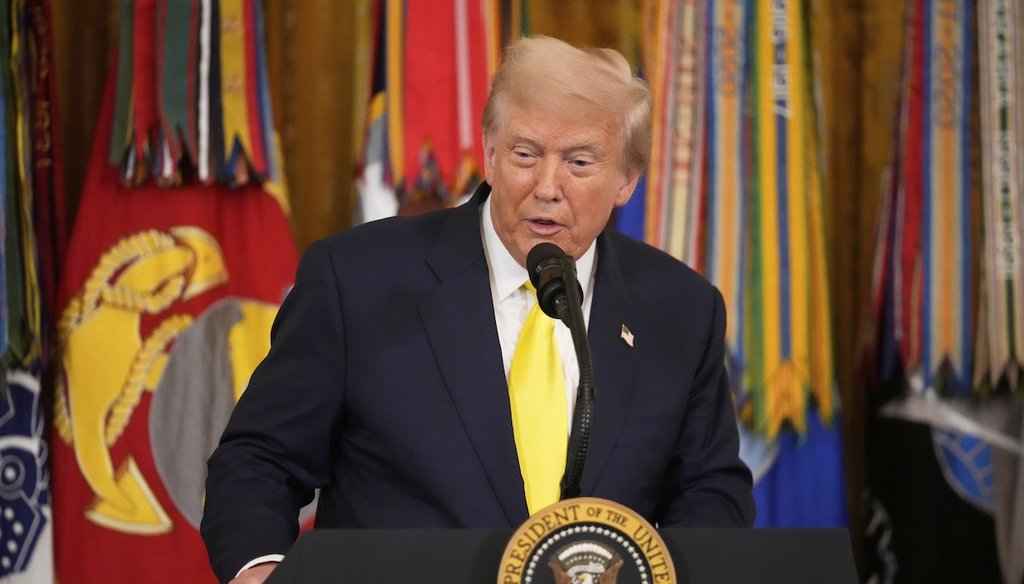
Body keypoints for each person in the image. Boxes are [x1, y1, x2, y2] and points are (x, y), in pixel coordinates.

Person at [201, 35, 754, 584]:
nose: (546, 187)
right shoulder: (358, 280)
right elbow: (260, 459)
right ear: (489, 153)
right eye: (525, 154)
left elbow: (708, 493)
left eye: (580, 162)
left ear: (627, 182)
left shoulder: (680, 309)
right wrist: (260, 573)